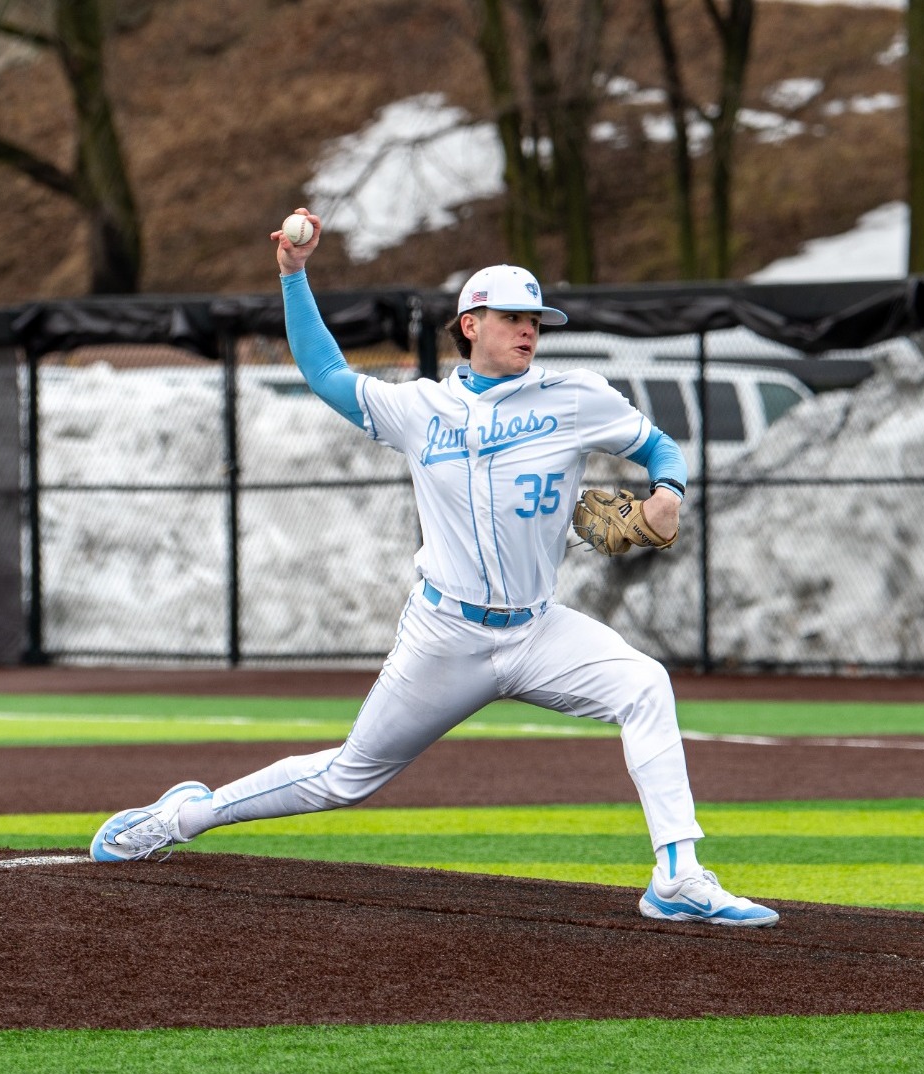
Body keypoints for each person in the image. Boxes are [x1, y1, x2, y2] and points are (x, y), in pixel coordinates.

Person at [89, 208, 777, 927]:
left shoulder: (575, 398)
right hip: (446, 636)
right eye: (514, 317)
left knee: (645, 686)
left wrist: (668, 492)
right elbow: (326, 374)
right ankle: (181, 819)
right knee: (345, 779)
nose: (530, 331)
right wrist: (295, 278)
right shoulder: (420, 410)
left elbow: (661, 446)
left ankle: (678, 874)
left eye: (537, 320)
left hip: (539, 631)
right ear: (470, 324)